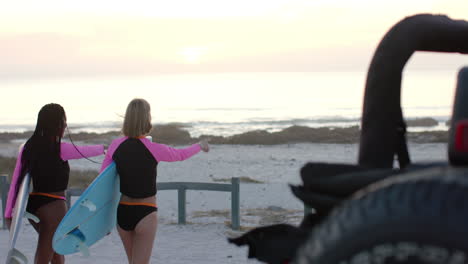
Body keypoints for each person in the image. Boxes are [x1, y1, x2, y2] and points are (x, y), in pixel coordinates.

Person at [100, 98, 209, 264]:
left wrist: (102, 221)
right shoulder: (154, 148)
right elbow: (180, 155)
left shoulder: (115, 146)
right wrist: (199, 145)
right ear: (147, 119)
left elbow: (103, 183)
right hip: (146, 211)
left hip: (123, 213)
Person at [4, 103, 105, 264]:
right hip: (53, 208)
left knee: (56, 255)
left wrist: (9, 214)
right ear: (55, 124)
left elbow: (17, 181)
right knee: (44, 257)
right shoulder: (60, 148)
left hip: (34, 205)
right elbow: (84, 151)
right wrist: (104, 148)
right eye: (62, 121)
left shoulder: (28, 147)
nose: (65, 124)